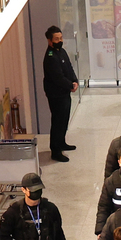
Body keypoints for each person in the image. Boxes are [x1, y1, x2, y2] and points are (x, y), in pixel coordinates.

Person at [43, 26, 79, 162]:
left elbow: (69, 67)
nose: (60, 40)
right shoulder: (50, 57)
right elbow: (57, 77)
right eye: (56, 39)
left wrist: (74, 80)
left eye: (61, 38)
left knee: (64, 119)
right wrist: (70, 85)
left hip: (64, 92)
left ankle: (62, 142)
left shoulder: (61, 51)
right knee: (58, 121)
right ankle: (55, 150)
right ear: (50, 41)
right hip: (56, 94)